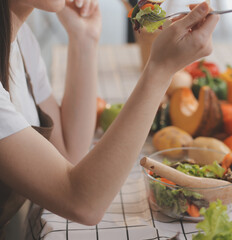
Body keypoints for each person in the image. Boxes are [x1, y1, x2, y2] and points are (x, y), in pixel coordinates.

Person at [0, 0, 219, 237]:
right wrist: (160, 69)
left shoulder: (21, 38)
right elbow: (82, 202)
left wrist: (84, 38)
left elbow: (67, 154)